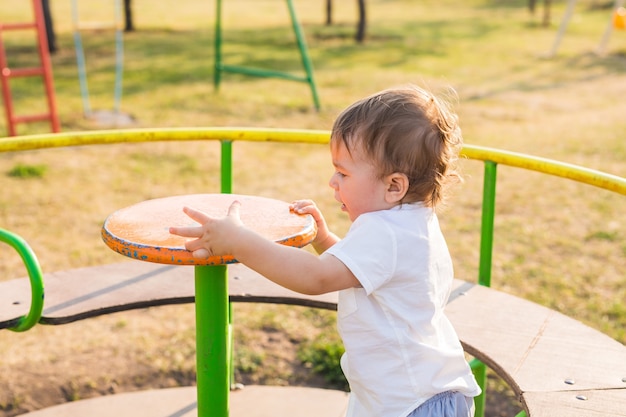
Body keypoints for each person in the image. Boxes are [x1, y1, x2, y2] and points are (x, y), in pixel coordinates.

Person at [169, 85, 481, 417]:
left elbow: (315, 278)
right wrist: (325, 239)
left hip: (413, 403)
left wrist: (239, 241)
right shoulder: (412, 222)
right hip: (418, 394)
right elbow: (362, 275)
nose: (333, 181)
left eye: (343, 173)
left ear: (394, 186)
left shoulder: (385, 232)